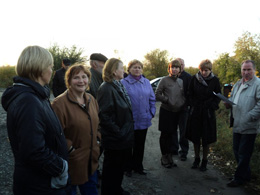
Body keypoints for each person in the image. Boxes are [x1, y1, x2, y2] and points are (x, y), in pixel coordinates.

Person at [1, 45, 69, 194]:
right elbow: (33, 150)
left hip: (40, 182)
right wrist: (61, 167)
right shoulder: (28, 100)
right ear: (40, 68)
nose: (52, 70)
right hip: (39, 186)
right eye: (50, 66)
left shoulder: (36, 95)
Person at [52, 64, 100, 195]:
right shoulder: (59, 104)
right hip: (72, 164)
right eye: (76, 77)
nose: (81, 81)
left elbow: (98, 124)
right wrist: (70, 149)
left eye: (84, 77)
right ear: (69, 81)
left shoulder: (91, 99)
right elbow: (55, 135)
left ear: (88, 80)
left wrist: (98, 140)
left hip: (91, 162)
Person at [97, 58, 134, 195]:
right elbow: (104, 116)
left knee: (119, 168)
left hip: (122, 138)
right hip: (115, 139)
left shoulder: (117, 84)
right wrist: (119, 133)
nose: (124, 71)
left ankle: (117, 189)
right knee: (111, 169)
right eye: (121, 68)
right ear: (113, 71)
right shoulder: (106, 88)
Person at [224, 60, 260, 187]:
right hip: (237, 123)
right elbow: (233, 98)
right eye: (244, 70)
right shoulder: (239, 83)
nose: (246, 72)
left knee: (244, 153)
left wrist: (249, 116)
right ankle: (246, 174)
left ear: (254, 70)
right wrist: (228, 103)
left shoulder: (258, 84)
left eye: (249, 69)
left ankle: (239, 178)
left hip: (249, 125)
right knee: (237, 150)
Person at [121, 59, 156, 176]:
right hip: (130, 120)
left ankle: (138, 166)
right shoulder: (123, 83)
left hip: (144, 119)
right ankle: (127, 168)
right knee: (128, 145)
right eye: (134, 67)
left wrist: (151, 112)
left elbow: (152, 98)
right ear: (129, 69)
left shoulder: (146, 82)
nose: (137, 69)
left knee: (140, 145)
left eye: (139, 67)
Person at [186, 59, 221, 171]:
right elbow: (189, 94)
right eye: (202, 70)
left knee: (206, 138)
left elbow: (218, 96)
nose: (204, 72)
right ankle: (196, 159)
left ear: (210, 70)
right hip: (196, 112)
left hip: (208, 113)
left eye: (206, 70)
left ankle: (204, 161)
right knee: (195, 137)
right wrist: (193, 104)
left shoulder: (215, 80)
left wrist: (211, 105)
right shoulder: (194, 79)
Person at [155, 59, 185, 168]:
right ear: (169, 69)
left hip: (176, 112)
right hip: (166, 111)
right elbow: (157, 94)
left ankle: (170, 157)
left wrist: (182, 103)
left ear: (180, 69)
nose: (175, 69)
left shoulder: (181, 81)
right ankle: (164, 157)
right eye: (173, 67)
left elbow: (182, 96)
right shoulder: (164, 80)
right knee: (165, 135)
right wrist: (167, 100)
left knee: (172, 135)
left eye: (177, 67)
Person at [170, 58, 192, 161]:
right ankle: (174, 148)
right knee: (173, 129)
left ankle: (184, 151)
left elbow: (191, 93)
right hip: (173, 108)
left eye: (182, 64)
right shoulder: (170, 77)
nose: (181, 66)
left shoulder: (188, 77)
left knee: (184, 131)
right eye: (179, 65)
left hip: (183, 108)